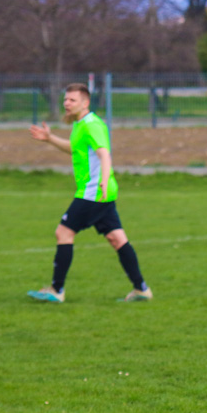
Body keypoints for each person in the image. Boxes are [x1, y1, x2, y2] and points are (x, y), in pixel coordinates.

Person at [27, 83, 152, 303]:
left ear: (85, 103)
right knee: (117, 238)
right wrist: (50, 139)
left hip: (92, 193)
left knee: (63, 233)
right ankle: (141, 289)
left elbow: (104, 154)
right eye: (65, 99)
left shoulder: (92, 125)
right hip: (102, 193)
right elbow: (75, 148)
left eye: (72, 100)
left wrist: (103, 180)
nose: (66, 103)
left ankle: (57, 290)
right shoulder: (80, 124)